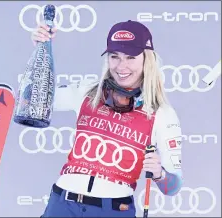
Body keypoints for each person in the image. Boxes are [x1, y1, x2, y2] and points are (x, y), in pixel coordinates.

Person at [30, 20, 183, 217]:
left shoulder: (161, 113)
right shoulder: (88, 93)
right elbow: (34, 100)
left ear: (147, 60)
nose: (121, 66)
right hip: (62, 205)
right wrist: (41, 50)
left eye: (130, 57)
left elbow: (173, 187)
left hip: (112, 209)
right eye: (114, 56)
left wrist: (159, 174)